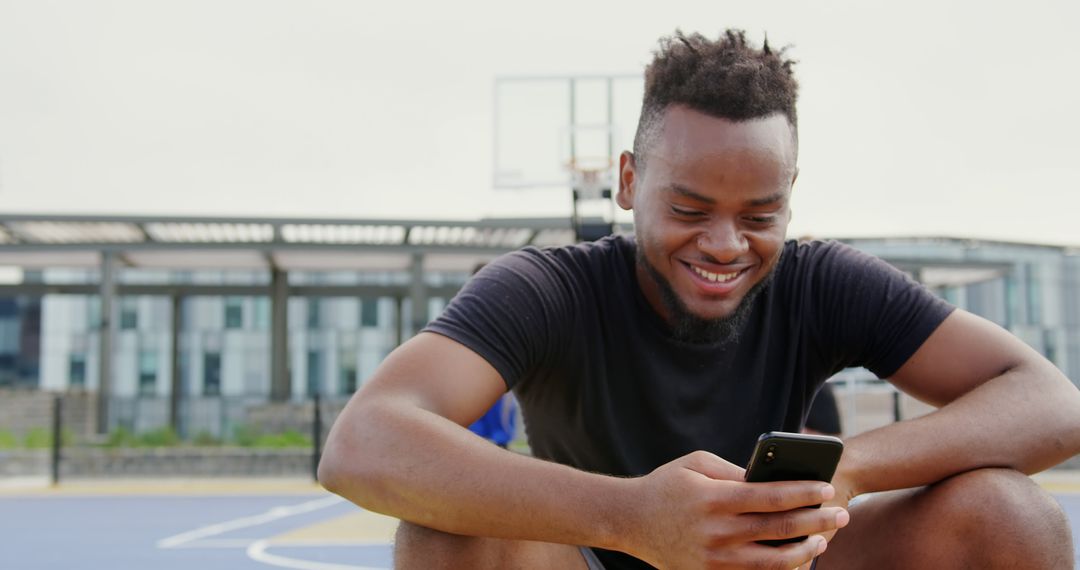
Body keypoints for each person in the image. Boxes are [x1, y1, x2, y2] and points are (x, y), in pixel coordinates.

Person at [319, 30, 1080, 569]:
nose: (724, 244)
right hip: (592, 553)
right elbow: (363, 444)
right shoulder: (545, 288)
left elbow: (1051, 403)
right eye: (688, 209)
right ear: (628, 182)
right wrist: (634, 519)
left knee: (1008, 514)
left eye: (760, 215)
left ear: (789, 196)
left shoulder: (822, 280)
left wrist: (848, 468)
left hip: (780, 560)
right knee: (444, 534)